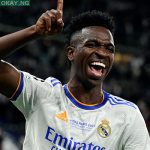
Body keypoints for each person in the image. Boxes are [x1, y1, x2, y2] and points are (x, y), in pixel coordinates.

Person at [0, 0, 150, 149]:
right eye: (92, 44)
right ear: (71, 53)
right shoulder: (42, 95)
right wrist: (34, 32)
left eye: (109, 49)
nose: (102, 53)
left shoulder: (128, 115)